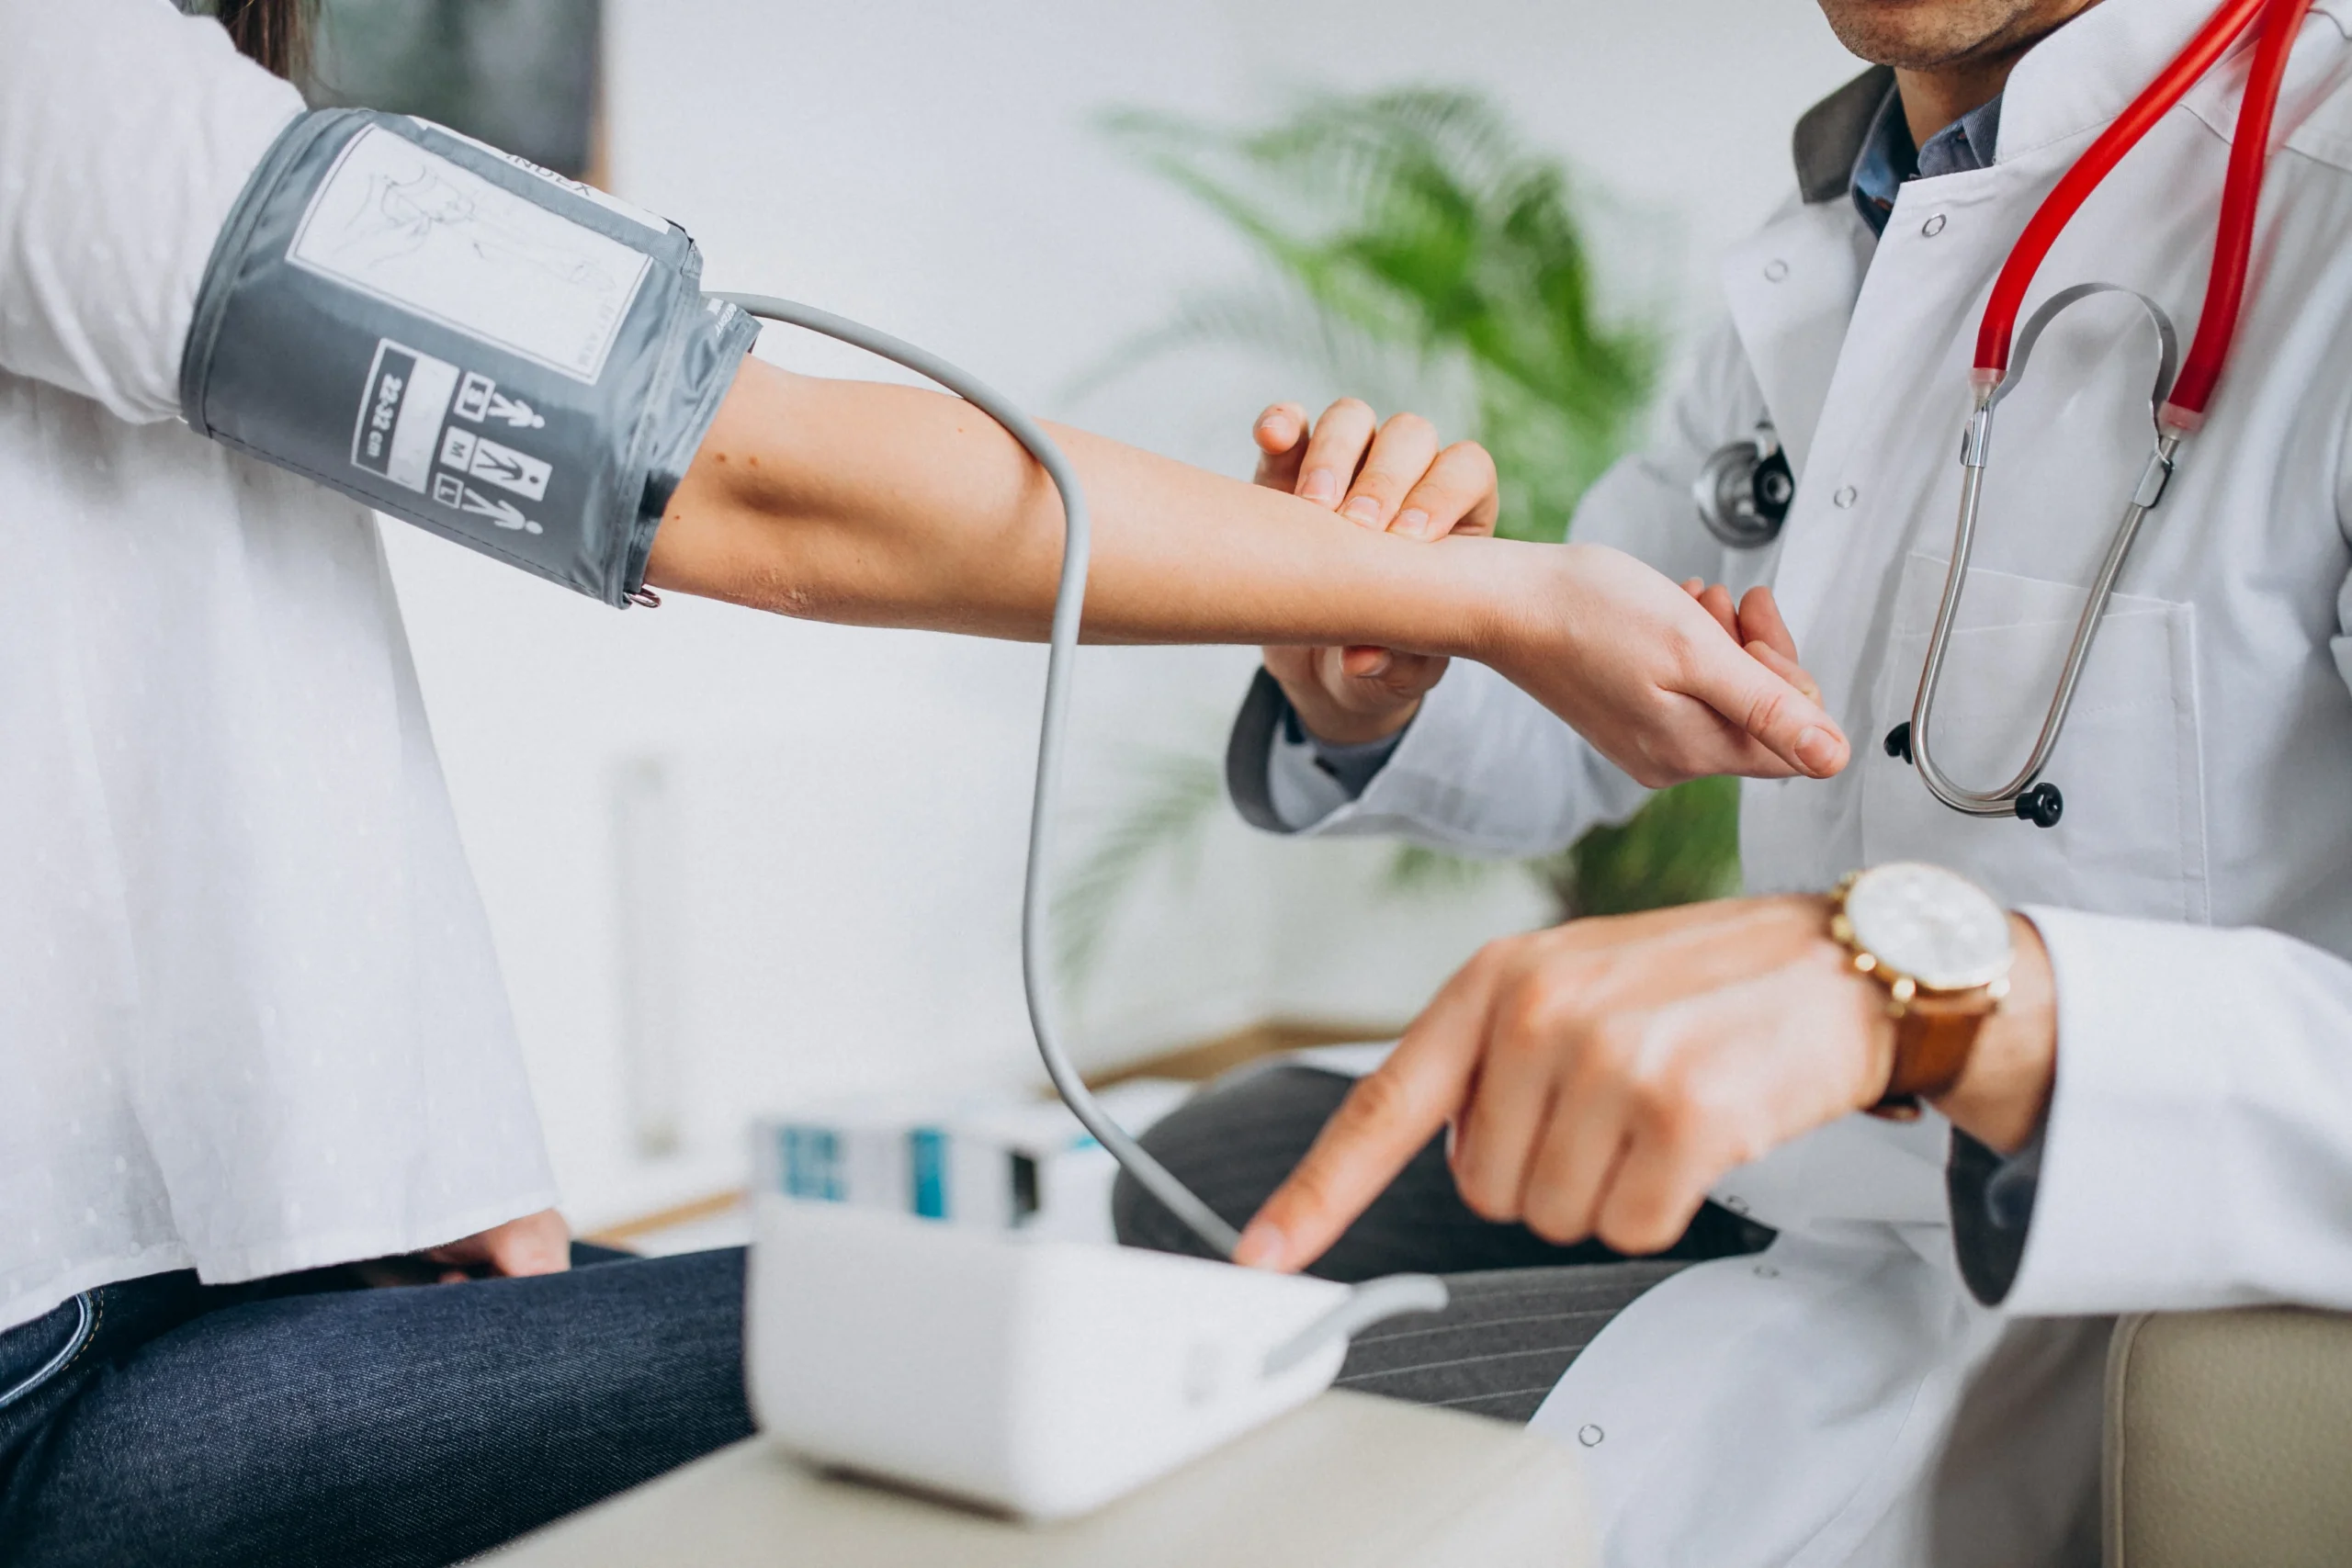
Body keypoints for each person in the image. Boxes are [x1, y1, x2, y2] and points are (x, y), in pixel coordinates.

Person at [0, 2, 1849, 1564]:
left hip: (186, 1253)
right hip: (53, 1365)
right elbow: (746, 473)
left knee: (1076, 1317)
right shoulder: (52, 75)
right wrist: (1479, 599)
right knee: (1051, 1338)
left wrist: (386, 1145)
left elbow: (151, 692)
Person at [1118, 0, 2352, 1563]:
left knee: (1232, 1476)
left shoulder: (2324, 199)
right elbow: (1591, 710)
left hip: (2067, 1247)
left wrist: (1944, 1002)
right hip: (1800, 1156)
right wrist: (1377, 661)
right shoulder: (1859, 219)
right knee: (1197, 1173)